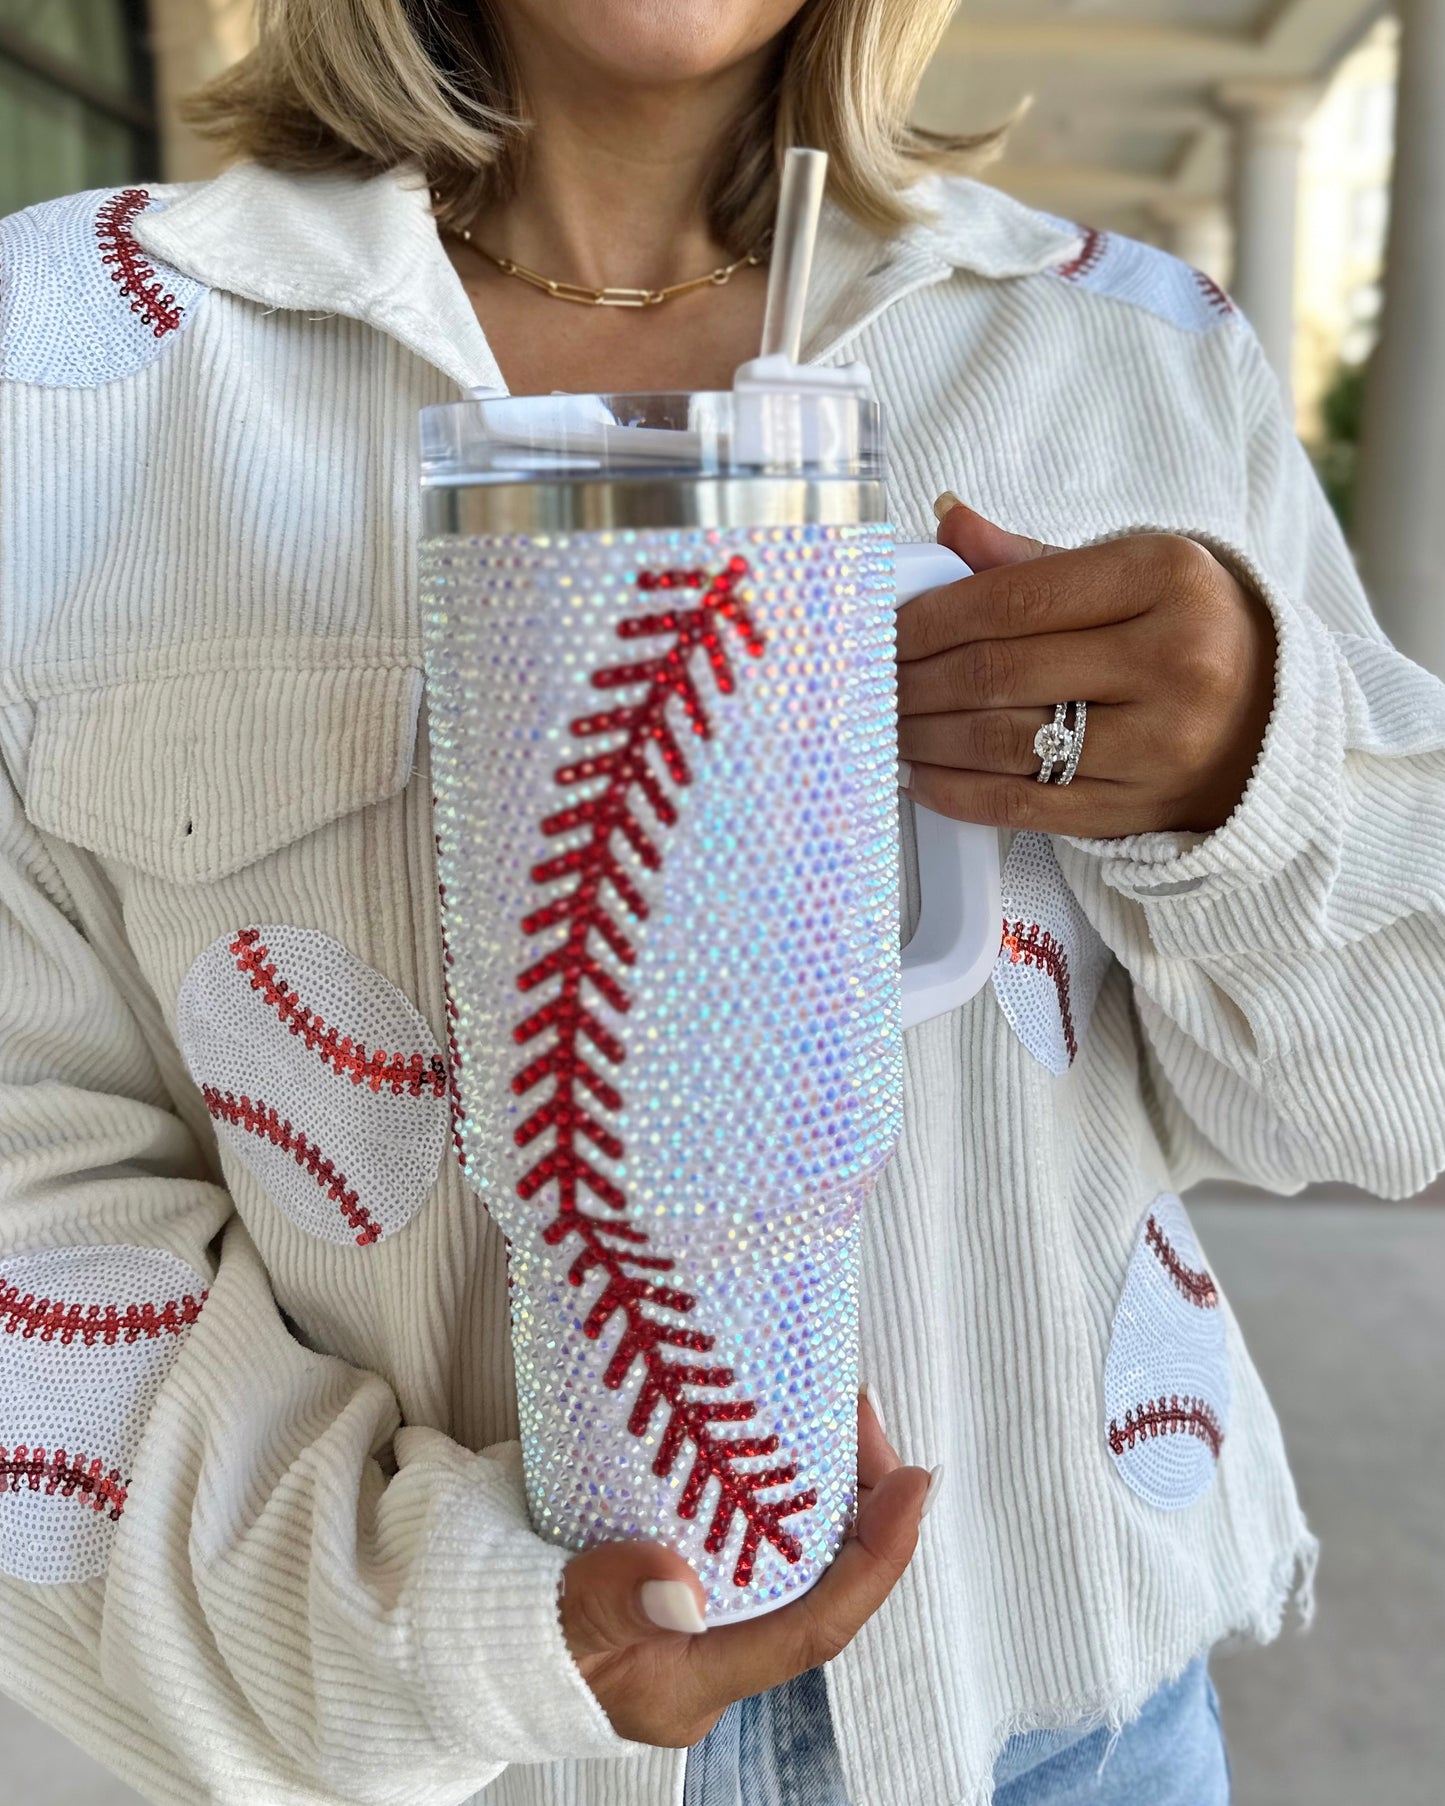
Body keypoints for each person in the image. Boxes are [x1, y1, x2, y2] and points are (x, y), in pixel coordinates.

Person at [1, 0, 1442, 1801]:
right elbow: (25, 1182)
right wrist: (444, 1619)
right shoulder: (67, 371)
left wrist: (1259, 776)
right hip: (436, 1761)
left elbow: (1380, 1103)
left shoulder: (1122, 351)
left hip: (1061, 1728)